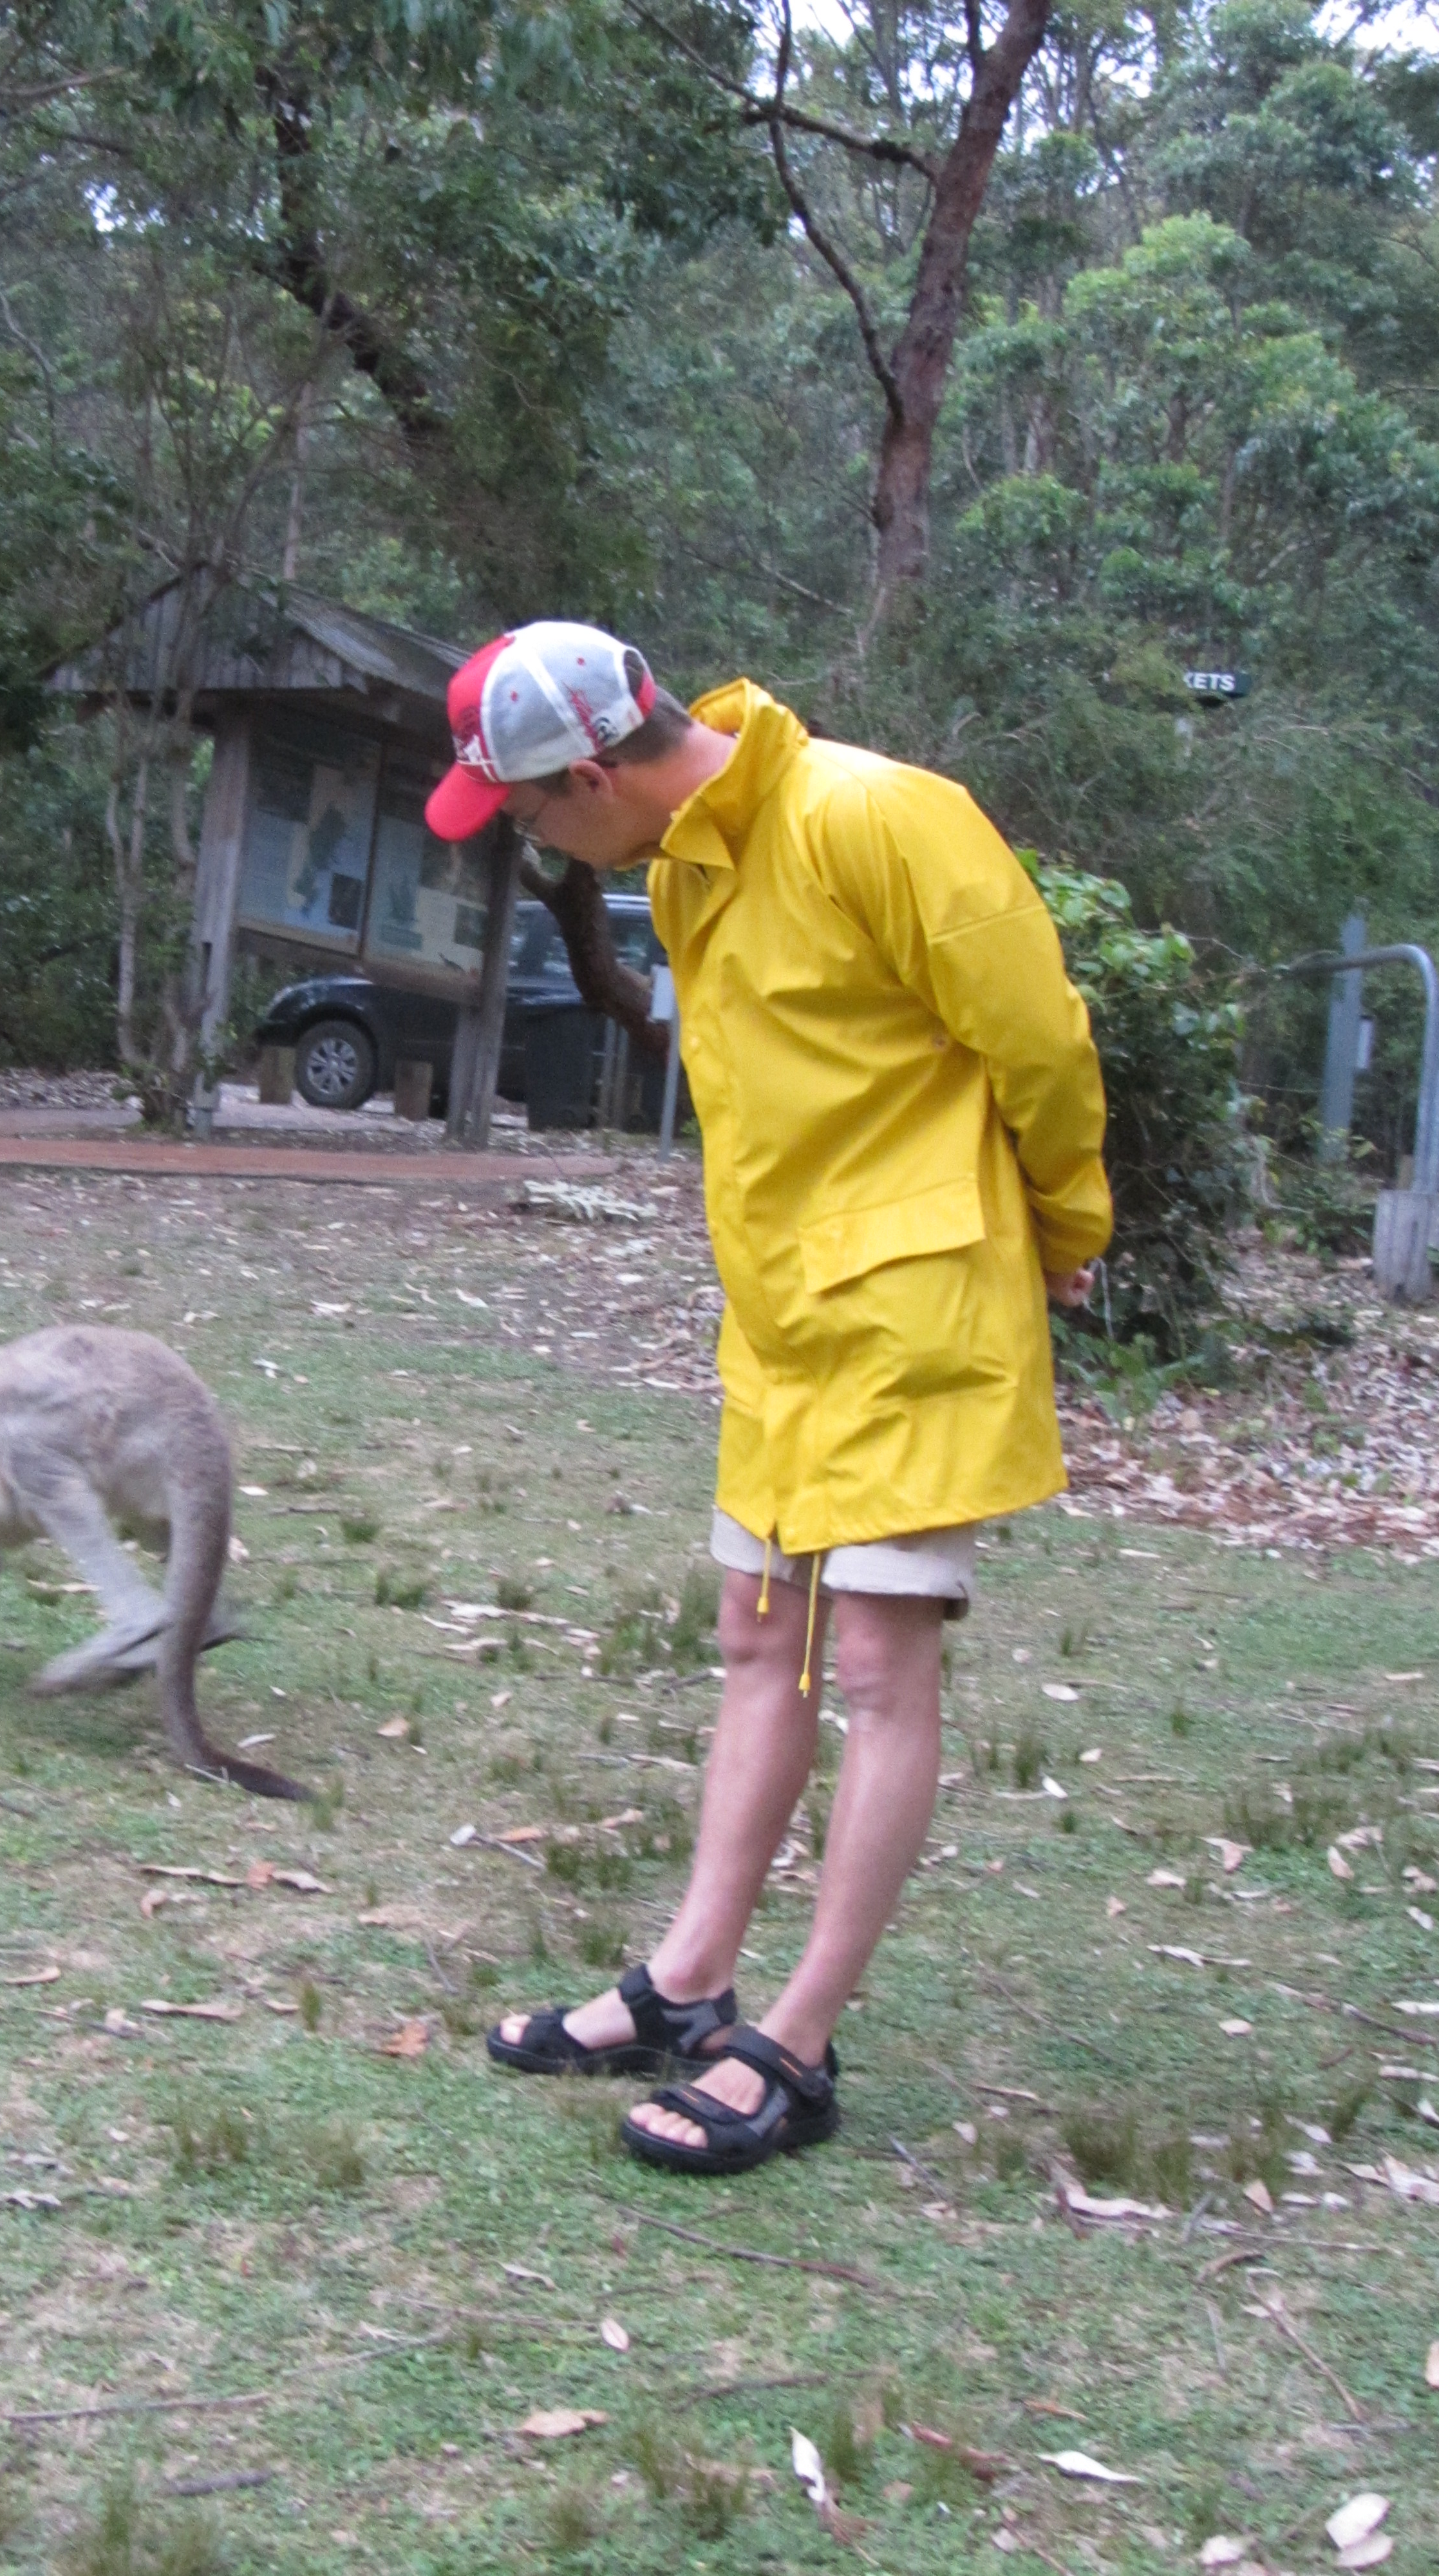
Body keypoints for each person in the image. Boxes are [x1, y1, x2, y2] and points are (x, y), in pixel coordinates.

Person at [423, 623, 1111, 2177]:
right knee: (760, 1640)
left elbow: (1041, 1042)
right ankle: (688, 1983)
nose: (536, 843)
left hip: (916, 1306)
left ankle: (793, 2043)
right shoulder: (679, 867)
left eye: (530, 815)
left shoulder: (878, 815)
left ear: (593, 771)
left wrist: (1065, 1226)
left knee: (873, 1660)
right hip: (786, 1326)